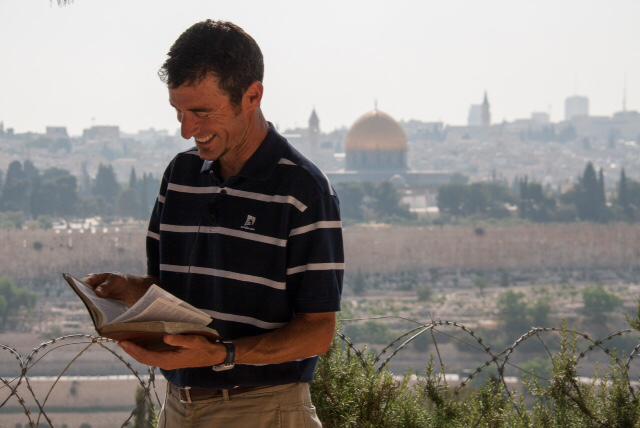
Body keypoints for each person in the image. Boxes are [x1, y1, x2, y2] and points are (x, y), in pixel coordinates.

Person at [84, 20, 343, 427]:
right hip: (179, 406)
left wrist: (225, 354)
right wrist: (131, 291)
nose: (188, 130)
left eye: (202, 112)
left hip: (262, 411)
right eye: (179, 113)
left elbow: (317, 332)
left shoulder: (303, 190)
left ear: (252, 96)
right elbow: (173, 293)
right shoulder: (181, 175)